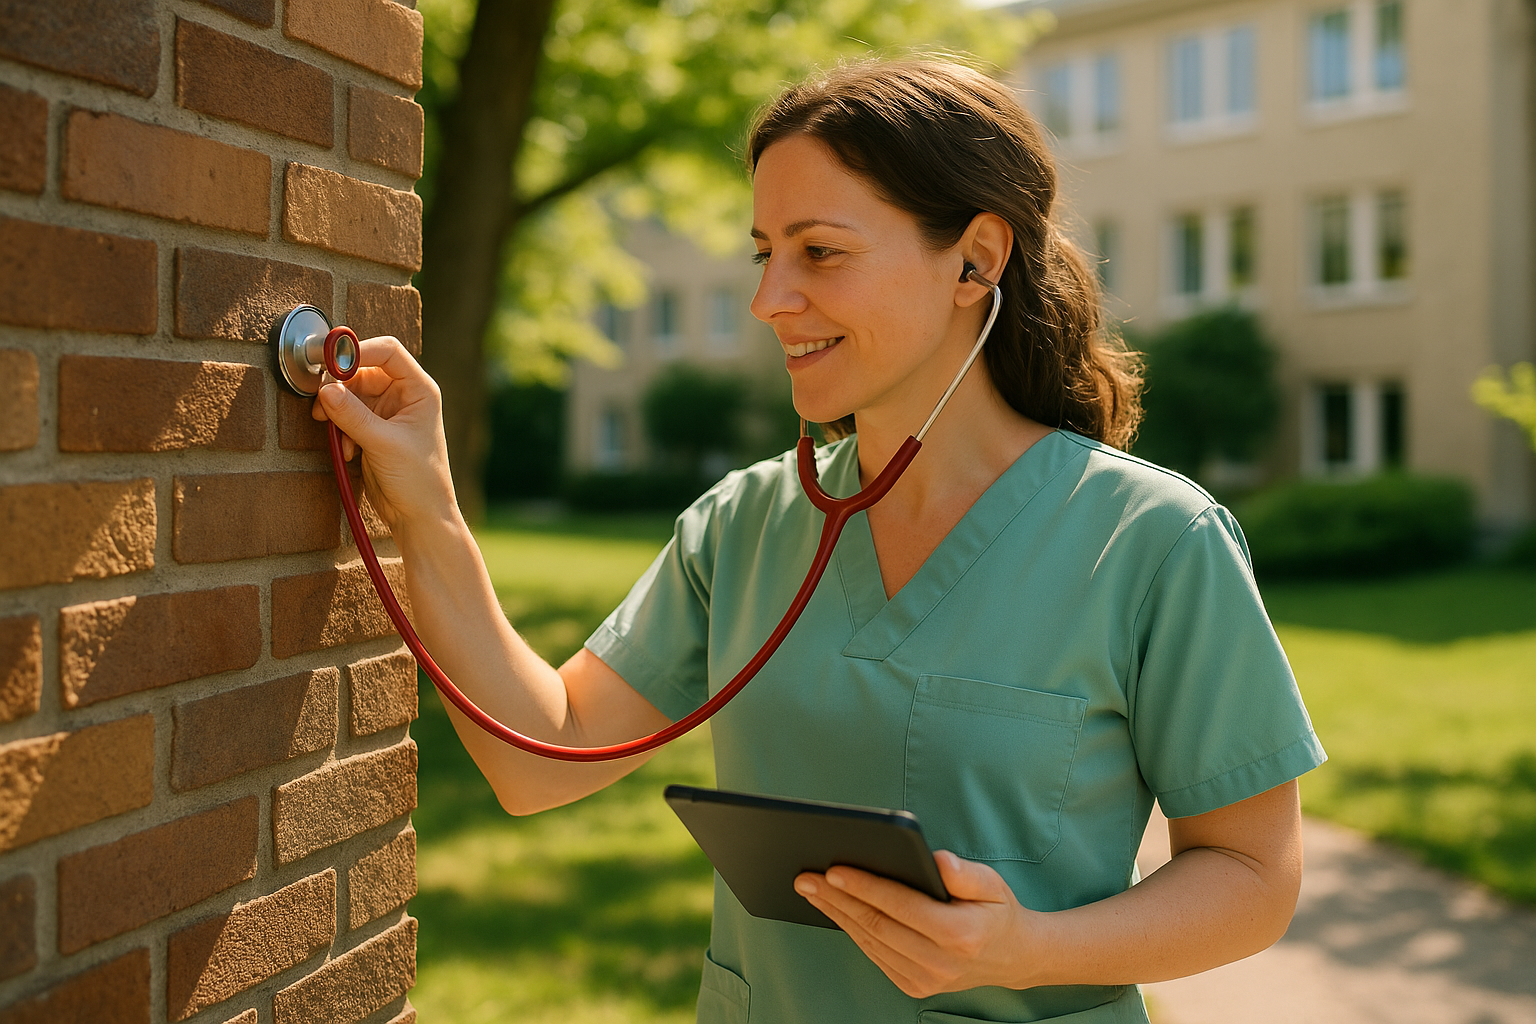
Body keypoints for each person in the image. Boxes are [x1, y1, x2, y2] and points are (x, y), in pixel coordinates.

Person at [314, 58, 1325, 1024]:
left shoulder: (1152, 541)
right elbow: (543, 759)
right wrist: (427, 509)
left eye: (820, 252)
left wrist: (1027, 948)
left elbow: (1252, 876)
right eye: (765, 253)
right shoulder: (744, 525)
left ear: (975, 259)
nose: (769, 300)